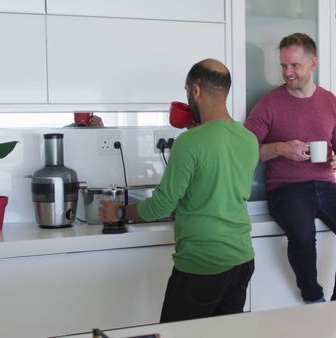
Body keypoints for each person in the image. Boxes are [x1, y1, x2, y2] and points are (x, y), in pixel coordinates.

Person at [99, 58, 259, 322]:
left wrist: (118, 211)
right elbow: (219, 183)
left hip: (202, 263)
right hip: (241, 259)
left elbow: (161, 205)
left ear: (195, 91)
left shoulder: (190, 142)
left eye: (187, 91)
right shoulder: (248, 138)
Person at [244, 33, 336, 302]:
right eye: (283, 66)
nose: (287, 73)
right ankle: (313, 298)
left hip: (327, 185)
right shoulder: (269, 104)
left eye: (294, 66)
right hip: (286, 188)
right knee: (303, 235)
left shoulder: (330, 102)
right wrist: (281, 148)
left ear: (312, 63)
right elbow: (243, 151)